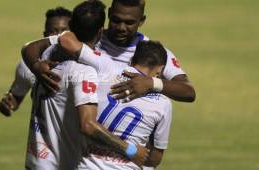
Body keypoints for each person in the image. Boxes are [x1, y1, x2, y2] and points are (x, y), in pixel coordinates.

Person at [23, 1, 148, 170]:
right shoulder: (84, 71)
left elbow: (29, 47)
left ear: (71, 26)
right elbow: (88, 125)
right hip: (59, 164)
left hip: (35, 159)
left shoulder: (46, 55)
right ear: (99, 32)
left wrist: (36, 66)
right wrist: (131, 150)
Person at [21, 0, 196, 105]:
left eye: (129, 23)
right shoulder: (87, 37)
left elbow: (188, 91)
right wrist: (36, 66)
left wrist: (151, 83)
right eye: (116, 20)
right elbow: (31, 47)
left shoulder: (152, 53)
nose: (121, 28)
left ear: (141, 21)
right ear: (109, 14)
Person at [58, 32, 172, 169]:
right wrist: (132, 151)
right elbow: (154, 159)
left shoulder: (105, 70)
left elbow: (65, 40)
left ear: (131, 60)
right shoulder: (163, 103)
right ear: (159, 72)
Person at [0, 7, 72, 116]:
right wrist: (8, 104)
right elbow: (15, 97)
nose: (58, 37)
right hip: (43, 132)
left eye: (64, 31)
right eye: (53, 31)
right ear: (44, 35)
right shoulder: (29, 65)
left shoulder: (85, 64)